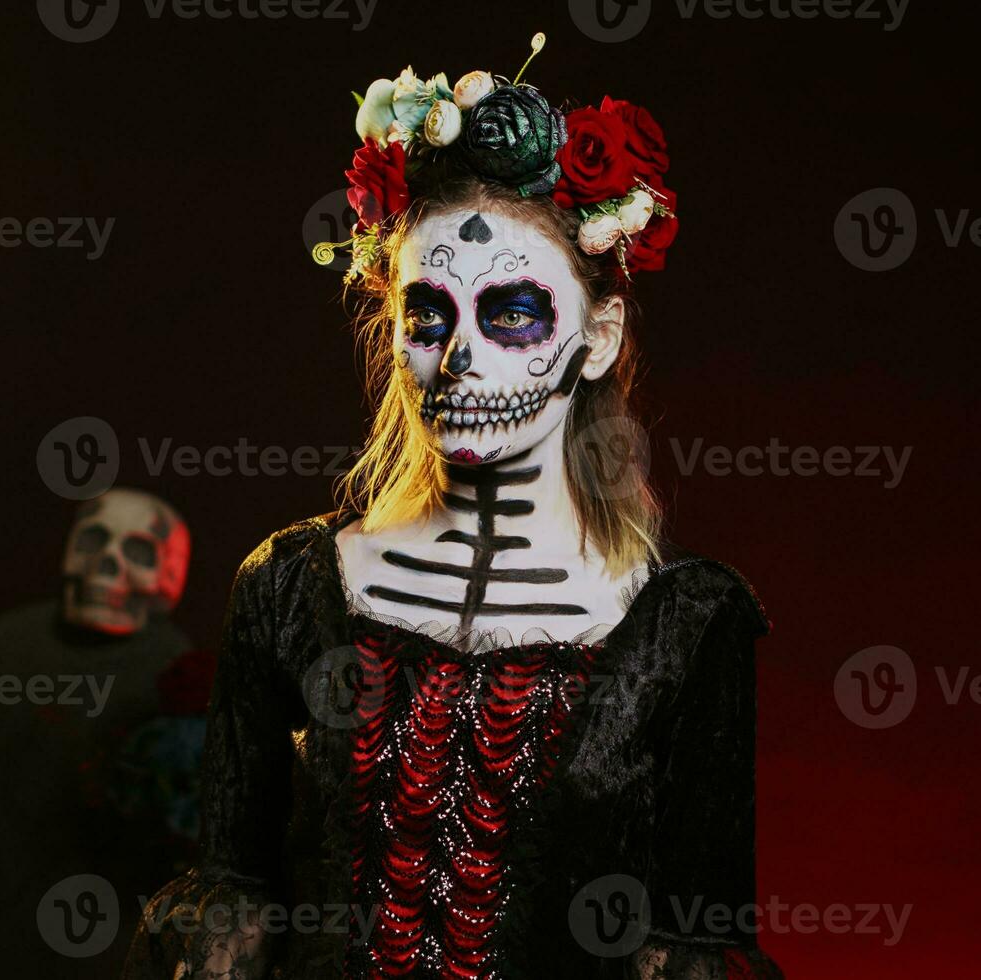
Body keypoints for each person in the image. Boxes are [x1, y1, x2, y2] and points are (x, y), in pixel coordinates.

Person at [122, 36, 782, 979]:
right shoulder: (287, 589)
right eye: (428, 316)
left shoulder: (685, 628)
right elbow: (233, 894)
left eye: (512, 312)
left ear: (599, 335)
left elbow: (695, 943)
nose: (461, 357)